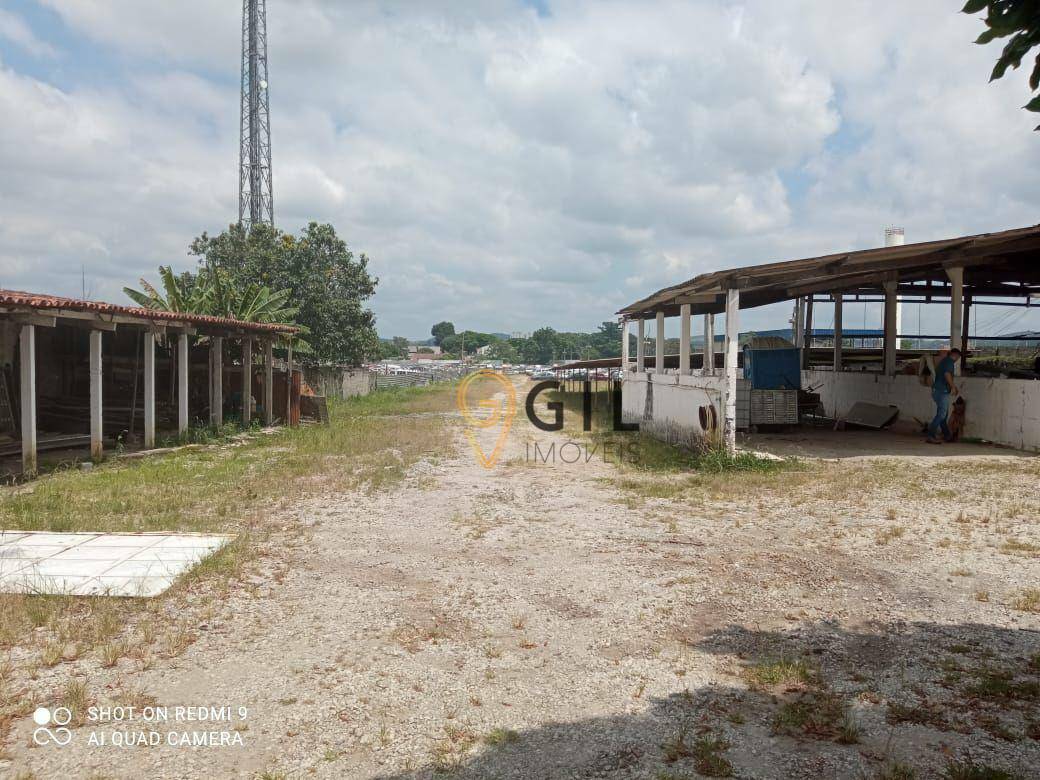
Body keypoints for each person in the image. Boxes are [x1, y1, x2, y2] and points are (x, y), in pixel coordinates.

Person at [927, 347, 961, 444]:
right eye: (958, 357)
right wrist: (953, 387)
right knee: (942, 414)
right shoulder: (949, 362)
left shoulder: (944, 361)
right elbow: (947, 374)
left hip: (937, 390)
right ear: (955, 355)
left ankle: (947, 435)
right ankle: (930, 435)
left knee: (943, 415)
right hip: (942, 391)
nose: (957, 359)